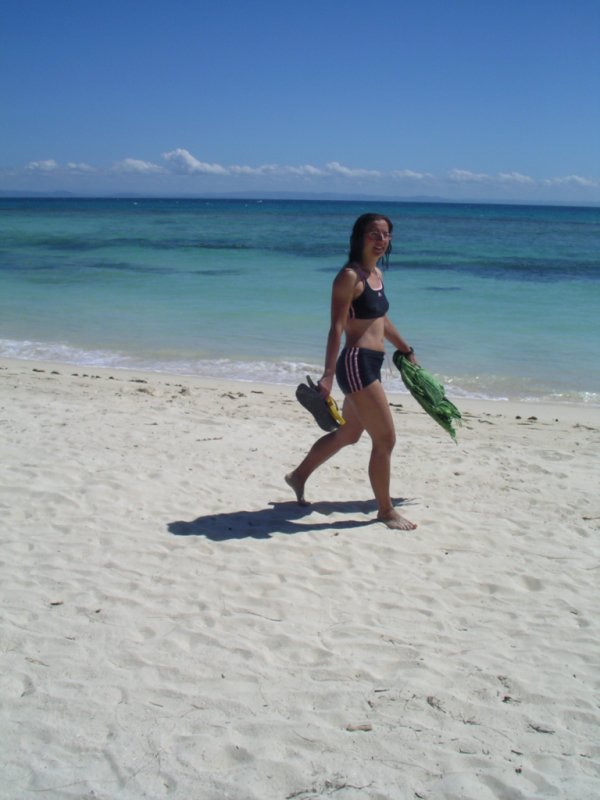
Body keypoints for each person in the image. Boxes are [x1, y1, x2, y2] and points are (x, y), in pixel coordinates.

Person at [286, 213, 418, 530]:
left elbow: (380, 319)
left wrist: (405, 348)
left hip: (371, 364)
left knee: (348, 434)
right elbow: (336, 327)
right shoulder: (348, 277)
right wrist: (328, 375)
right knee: (385, 440)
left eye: (386, 234)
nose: (381, 240)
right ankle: (385, 511)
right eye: (374, 234)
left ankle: (298, 476)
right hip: (356, 365)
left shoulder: (375, 275)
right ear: (360, 237)